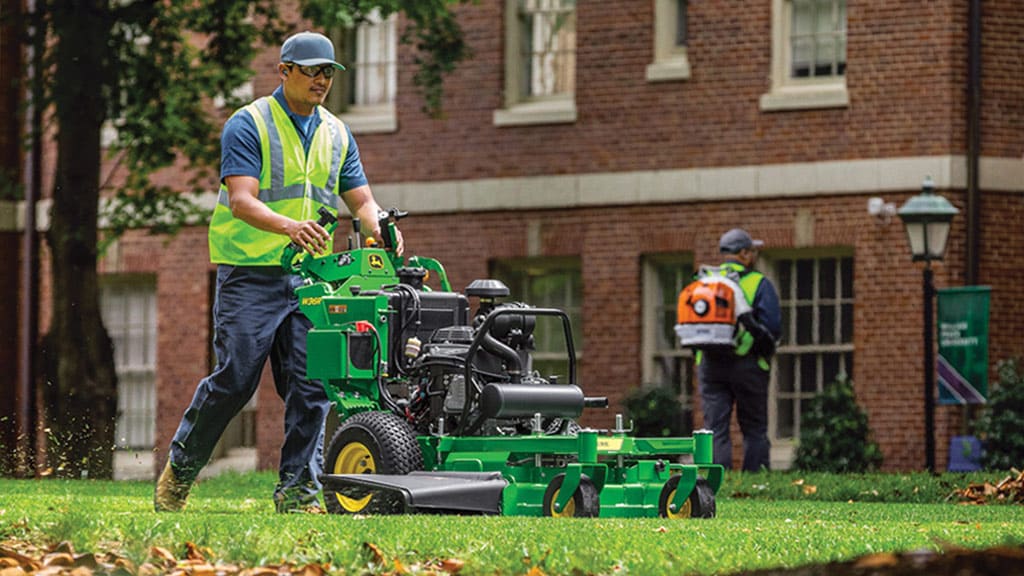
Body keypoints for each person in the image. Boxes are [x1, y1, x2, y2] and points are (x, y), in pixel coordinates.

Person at [154, 31, 402, 513]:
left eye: (328, 71)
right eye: (311, 70)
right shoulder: (248, 125)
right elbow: (242, 200)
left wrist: (380, 224)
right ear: (284, 71)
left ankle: (298, 492)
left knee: (314, 386)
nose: (321, 80)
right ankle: (180, 470)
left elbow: (362, 201)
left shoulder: (336, 133)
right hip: (250, 275)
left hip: (312, 279)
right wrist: (290, 226)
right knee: (236, 379)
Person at [697, 228, 780, 472]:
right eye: (752, 250)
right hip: (749, 364)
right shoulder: (757, 283)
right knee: (754, 428)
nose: (754, 255)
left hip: (710, 365)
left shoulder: (704, 280)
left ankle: (716, 482)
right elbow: (773, 328)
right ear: (743, 253)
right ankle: (755, 481)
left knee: (716, 429)